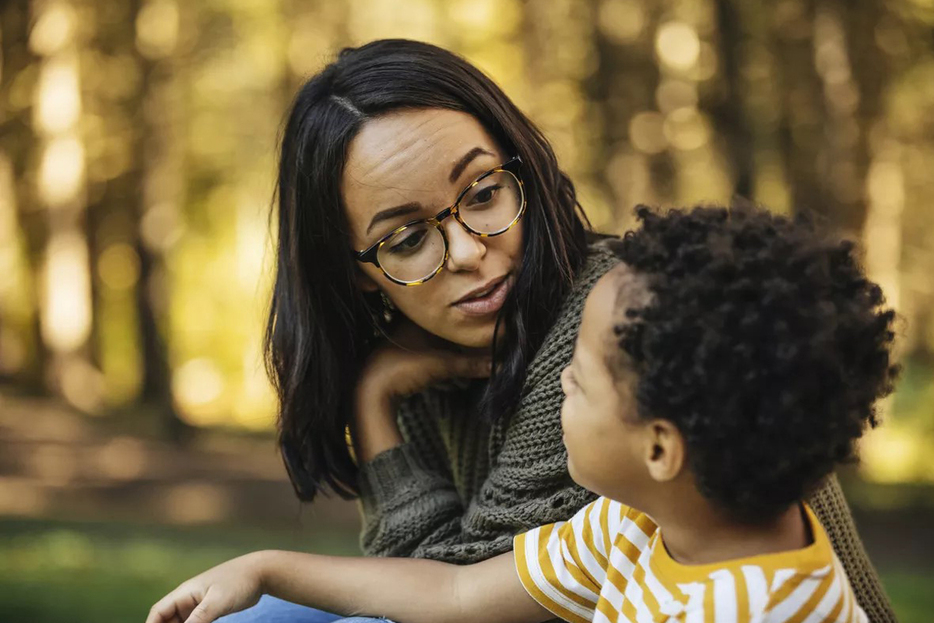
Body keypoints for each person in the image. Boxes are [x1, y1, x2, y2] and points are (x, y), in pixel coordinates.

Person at [222, 39, 894, 622]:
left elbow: (447, 606)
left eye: (484, 193)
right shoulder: (622, 525)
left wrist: (373, 407)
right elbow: (448, 592)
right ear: (357, 272)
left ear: (525, 171)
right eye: (406, 237)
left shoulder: (616, 326)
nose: (464, 251)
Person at [147, 205, 898, 623]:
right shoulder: (640, 521)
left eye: (577, 377)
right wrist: (265, 567)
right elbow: (458, 591)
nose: (557, 381)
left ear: (661, 447)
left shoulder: (751, 610)